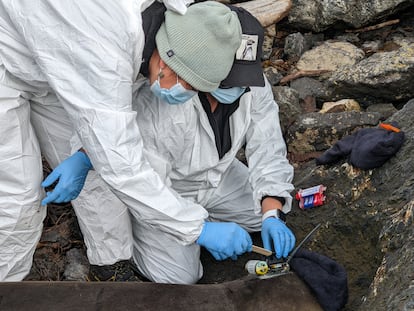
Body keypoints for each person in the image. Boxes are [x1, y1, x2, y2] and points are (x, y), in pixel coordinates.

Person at [45, 6, 296, 284]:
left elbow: (268, 147)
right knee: (179, 277)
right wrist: (199, 229)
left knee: (263, 213)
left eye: (243, 80)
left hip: (217, 178)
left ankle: (216, 221)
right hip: (167, 189)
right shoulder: (161, 104)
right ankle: (136, 239)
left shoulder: (252, 86)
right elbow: (138, 177)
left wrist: (271, 210)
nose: (238, 88)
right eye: (228, 79)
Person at [0, 0, 242, 281]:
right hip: (9, 58)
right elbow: (123, 167)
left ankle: (111, 264)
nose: (187, 95)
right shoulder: (108, 53)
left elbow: (108, 139)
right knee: (17, 202)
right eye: (188, 85)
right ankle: (8, 288)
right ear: (164, 63)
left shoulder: (176, 19)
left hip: (58, 61)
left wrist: (84, 153)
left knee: (96, 176)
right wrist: (197, 228)